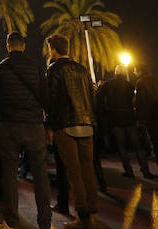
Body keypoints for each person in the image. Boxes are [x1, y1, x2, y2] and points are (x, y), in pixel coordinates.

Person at [0, 32, 52, 229]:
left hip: (9, 126)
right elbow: (45, 96)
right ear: (23, 46)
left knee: (9, 175)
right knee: (40, 175)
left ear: (8, 46)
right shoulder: (35, 67)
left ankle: (11, 222)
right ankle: (45, 222)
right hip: (34, 126)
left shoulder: (1, 68)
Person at [45, 34, 99, 229]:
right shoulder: (82, 69)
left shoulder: (54, 69)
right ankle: (92, 212)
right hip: (86, 123)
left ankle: (83, 215)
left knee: (74, 172)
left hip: (65, 125)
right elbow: (92, 97)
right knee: (88, 168)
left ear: (53, 49)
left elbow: (51, 99)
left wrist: (49, 126)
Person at [97, 65, 151, 179]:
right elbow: (135, 101)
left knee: (122, 146)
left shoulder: (107, 85)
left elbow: (99, 100)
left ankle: (129, 171)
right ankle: (145, 170)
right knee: (137, 146)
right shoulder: (130, 85)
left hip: (115, 118)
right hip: (130, 117)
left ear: (115, 73)